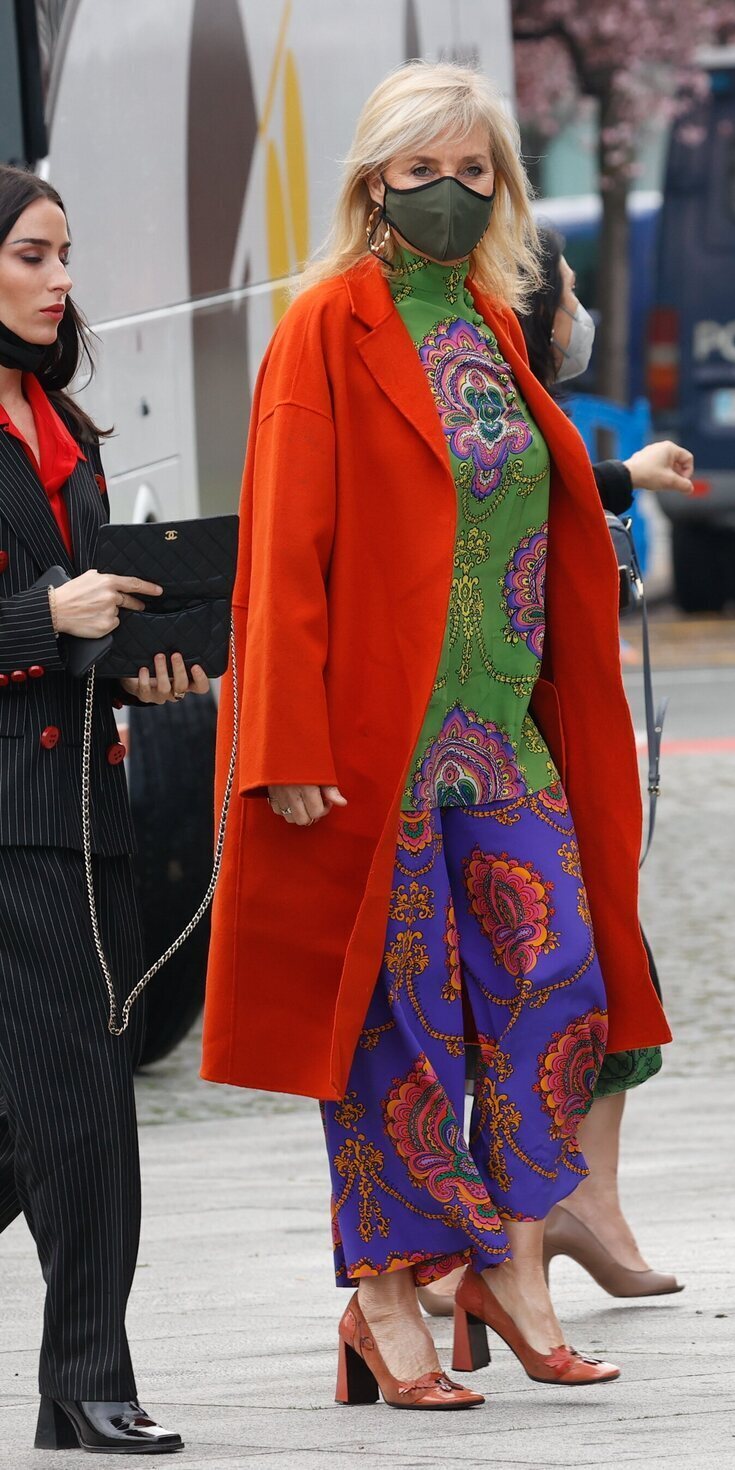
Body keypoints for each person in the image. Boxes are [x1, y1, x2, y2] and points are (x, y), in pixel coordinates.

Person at [201, 60, 671, 1412]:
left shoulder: (487, 319)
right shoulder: (327, 328)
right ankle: (386, 1297)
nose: (454, 196)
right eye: (426, 173)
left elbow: (529, 503)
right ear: (373, 184)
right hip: (375, 742)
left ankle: (512, 1268)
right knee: (396, 1026)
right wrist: (283, 743)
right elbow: (284, 554)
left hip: (504, 731)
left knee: (559, 980)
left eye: (478, 173)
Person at [417, 226, 691, 1320]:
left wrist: (621, 474)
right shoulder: (485, 399)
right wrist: (617, 474)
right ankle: (461, 1243)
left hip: (539, 731)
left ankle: (579, 1208)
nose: (578, 310)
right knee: (533, 970)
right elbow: (511, 491)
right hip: (490, 741)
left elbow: (549, 481)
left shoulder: (527, 402)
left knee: (597, 962)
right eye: (567, 288)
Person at [0, 165, 208, 1454]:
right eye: (32, 253)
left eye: (64, 253)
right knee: (80, 1099)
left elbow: (83, 619)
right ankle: (88, 1379)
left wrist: (141, 661)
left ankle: (83, 1375)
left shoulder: (52, 415)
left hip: (77, 805)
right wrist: (46, 615)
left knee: (43, 1109)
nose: (60, 277)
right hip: (16, 813)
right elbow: (41, 611)